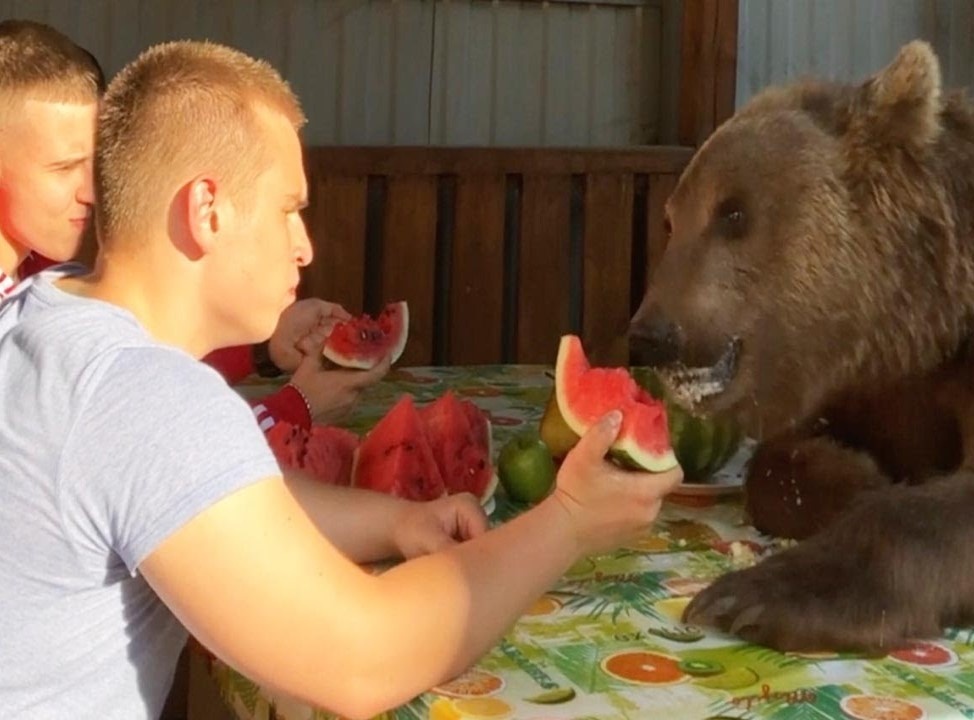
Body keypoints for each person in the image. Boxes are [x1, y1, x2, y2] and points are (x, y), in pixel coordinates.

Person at [0, 39, 682, 719]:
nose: (305, 245)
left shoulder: (43, 311)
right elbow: (361, 660)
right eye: (287, 209)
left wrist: (400, 523)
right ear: (207, 210)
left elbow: (222, 499)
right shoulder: (144, 397)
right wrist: (568, 524)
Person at [0, 19, 375, 428]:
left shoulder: (35, 277)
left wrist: (263, 350)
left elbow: (144, 374)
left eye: (94, 162)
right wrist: (296, 407)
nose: (92, 191)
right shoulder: (38, 306)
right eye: (65, 167)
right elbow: (146, 447)